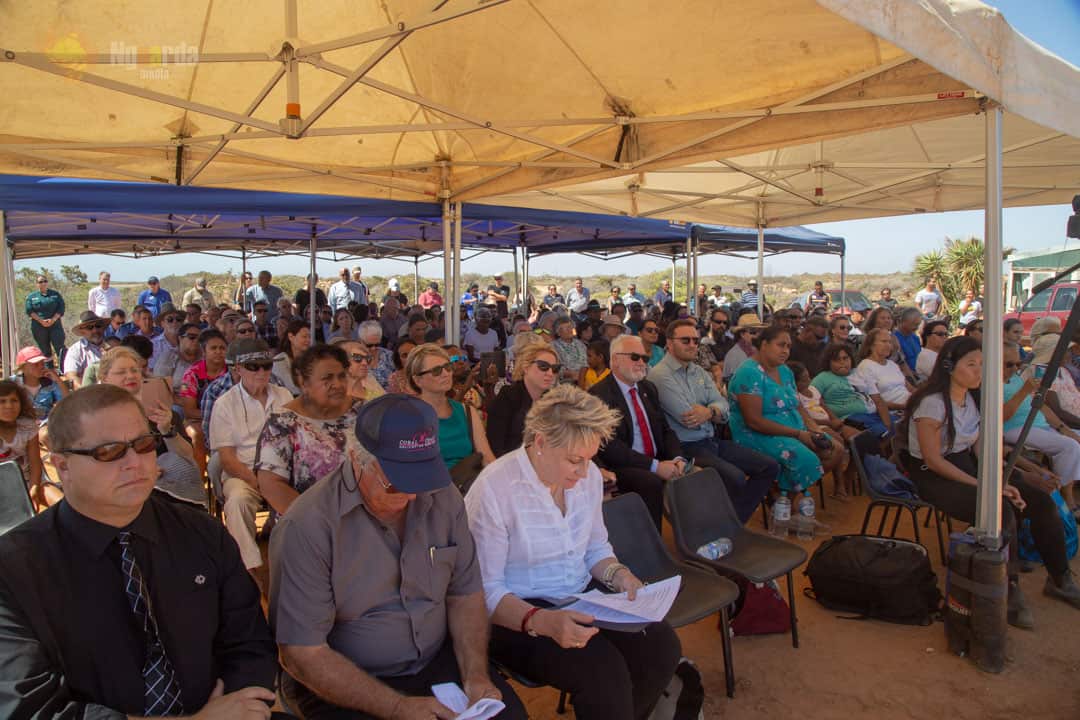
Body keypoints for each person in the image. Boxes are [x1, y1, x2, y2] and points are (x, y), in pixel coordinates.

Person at [0, 383, 281, 718]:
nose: (135, 462)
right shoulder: (14, 569)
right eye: (109, 451)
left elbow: (250, 644)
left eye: (144, 444)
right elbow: (30, 707)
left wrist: (242, 705)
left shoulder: (202, 533)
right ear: (62, 466)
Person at [270, 393, 525, 720]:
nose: (412, 493)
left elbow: (465, 594)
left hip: (435, 661)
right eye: (396, 482)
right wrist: (397, 707)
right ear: (354, 458)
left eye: (422, 477)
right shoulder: (307, 527)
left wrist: (475, 675)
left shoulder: (443, 497)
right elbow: (302, 653)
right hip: (347, 681)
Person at [465, 384, 681, 720]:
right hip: (516, 612)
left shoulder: (589, 476)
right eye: (574, 460)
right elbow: (484, 591)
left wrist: (621, 577)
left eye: (590, 459)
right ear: (539, 442)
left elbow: (595, 548)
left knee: (661, 646)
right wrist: (542, 621)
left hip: (581, 595)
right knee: (602, 672)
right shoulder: (494, 490)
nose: (585, 472)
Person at [903, 336, 1080, 627]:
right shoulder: (931, 404)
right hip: (935, 477)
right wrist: (988, 487)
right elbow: (934, 461)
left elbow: (981, 448)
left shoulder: (973, 398)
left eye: (982, 364)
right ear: (949, 367)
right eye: (970, 364)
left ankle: (1060, 579)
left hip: (967, 467)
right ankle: (1007, 590)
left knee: (1040, 502)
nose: (978, 371)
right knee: (1001, 511)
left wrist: (1016, 476)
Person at [651, 319, 779, 522]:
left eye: (695, 340)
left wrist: (709, 412)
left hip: (710, 440)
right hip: (685, 447)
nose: (693, 345)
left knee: (769, 467)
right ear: (669, 342)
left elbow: (723, 404)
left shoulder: (698, 371)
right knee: (734, 478)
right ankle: (725, 524)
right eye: (685, 340)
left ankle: (732, 522)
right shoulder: (660, 375)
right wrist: (714, 411)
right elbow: (688, 418)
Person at [210, 338, 292, 591]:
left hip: (283, 472)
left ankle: (296, 566)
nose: (262, 372)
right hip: (244, 473)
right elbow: (227, 458)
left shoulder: (284, 395)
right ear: (237, 370)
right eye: (254, 366)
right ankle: (248, 570)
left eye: (266, 366)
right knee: (237, 502)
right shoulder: (224, 404)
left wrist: (278, 481)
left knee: (307, 500)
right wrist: (260, 483)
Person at [591, 334, 687, 529]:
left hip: (655, 458)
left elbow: (665, 429)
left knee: (698, 474)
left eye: (645, 358)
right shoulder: (598, 395)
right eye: (635, 357)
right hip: (620, 465)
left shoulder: (648, 388)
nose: (642, 363)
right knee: (650, 482)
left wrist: (677, 458)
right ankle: (653, 548)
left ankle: (694, 542)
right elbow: (611, 448)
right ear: (615, 360)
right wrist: (655, 466)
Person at [256, 344, 357, 518]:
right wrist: (318, 520)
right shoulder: (282, 424)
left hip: (361, 519)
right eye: (327, 378)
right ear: (304, 383)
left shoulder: (363, 413)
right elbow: (270, 484)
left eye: (342, 376)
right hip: (306, 522)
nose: (338, 384)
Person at [98, 346, 204, 507]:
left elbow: (187, 456)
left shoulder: (161, 411)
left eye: (134, 370)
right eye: (121, 372)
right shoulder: (97, 418)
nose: (130, 376)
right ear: (104, 378)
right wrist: (142, 471)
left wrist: (167, 429)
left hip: (167, 486)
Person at [1002, 341, 1080, 511]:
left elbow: (1040, 405)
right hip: (1015, 428)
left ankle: (1061, 491)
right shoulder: (991, 384)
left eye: (1018, 363)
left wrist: (1063, 429)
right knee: (1070, 446)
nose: (1015, 368)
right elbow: (1001, 416)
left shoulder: (1014, 378)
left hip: (1038, 425)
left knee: (1073, 439)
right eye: (1009, 364)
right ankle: (1066, 497)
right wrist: (1024, 390)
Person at [406, 344, 495, 472]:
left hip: (466, 484)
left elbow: (487, 458)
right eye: (436, 371)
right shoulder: (408, 417)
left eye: (447, 367)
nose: (445, 374)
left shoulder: (467, 411)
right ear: (417, 380)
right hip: (430, 487)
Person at [486, 343, 559, 457]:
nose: (550, 373)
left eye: (555, 369)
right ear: (526, 367)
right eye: (543, 366)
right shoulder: (508, 396)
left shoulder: (553, 401)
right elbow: (495, 445)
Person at [811, 343, 895, 437]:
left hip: (874, 414)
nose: (842, 362)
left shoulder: (861, 373)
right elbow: (810, 400)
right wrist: (832, 419)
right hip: (852, 419)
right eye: (836, 360)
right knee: (882, 433)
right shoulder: (821, 378)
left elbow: (879, 401)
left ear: (851, 359)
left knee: (899, 426)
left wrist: (888, 425)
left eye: (845, 358)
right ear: (828, 362)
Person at [0, 380, 51, 509]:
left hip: (30, 479)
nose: (9, 406)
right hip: (3, 486)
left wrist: (34, 487)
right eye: (2, 401)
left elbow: (35, 461)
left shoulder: (27, 426)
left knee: (60, 502)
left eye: (14, 400)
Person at [857, 328, 913, 411]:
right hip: (896, 410)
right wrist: (904, 406)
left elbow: (911, 388)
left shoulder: (892, 364)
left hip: (911, 403)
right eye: (884, 341)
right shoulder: (865, 366)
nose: (888, 345)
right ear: (871, 345)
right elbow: (875, 401)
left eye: (890, 342)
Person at [14, 346, 68, 425]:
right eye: (36, 364)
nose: (41, 367)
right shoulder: (14, 384)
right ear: (23, 367)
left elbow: (67, 401)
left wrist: (58, 380)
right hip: (19, 425)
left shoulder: (50, 383)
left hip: (45, 425)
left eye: (42, 363)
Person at [25, 274, 66, 361]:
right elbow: (29, 311)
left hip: (55, 325)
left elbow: (61, 308)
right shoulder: (31, 297)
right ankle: (49, 370)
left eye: (45, 281)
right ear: (37, 284)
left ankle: (63, 369)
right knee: (45, 350)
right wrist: (41, 321)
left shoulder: (55, 294)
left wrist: (53, 320)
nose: (43, 283)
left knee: (60, 347)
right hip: (39, 326)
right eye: (40, 282)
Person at [155, 321, 203, 395]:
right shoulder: (169, 357)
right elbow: (159, 387)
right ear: (180, 338)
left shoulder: (205, 358)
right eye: (192, 337)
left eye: (200, 338)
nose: (196, 341)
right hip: (174, 401)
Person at [63, 311, 108, 387]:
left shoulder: (114, 345)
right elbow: (71, 376)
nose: (95, 330)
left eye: (98, 326)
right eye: (89, 327)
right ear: (82, 331)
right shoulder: (75, 350)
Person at [272, 319, 312, 396]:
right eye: (304, 337)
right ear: (291, 337)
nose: (308, 340)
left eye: (309, 337)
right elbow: (291, 386)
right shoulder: (279, 360)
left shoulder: (311, 358)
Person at [722, 313, 765, 380]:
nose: (758, 335)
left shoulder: (755, 350)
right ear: (742, 334)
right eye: (753, 332)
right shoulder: (735, 355)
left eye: (760, 331)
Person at [552, 315, 588, 384]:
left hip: (585, 377)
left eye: (570, 327)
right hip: (567, 381)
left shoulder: (580, 344)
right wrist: (571, 374)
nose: (570, 330)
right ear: (558, 332)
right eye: (566, 328)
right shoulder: (553, 346)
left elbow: (588, 361)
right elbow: (555, 368)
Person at [893, 308, 923, 382]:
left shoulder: (915, 337)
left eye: (918, 324)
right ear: (902, 322)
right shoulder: (894, 339)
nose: (916, 327)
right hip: (907, 378)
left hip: (921, 374)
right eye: (914, 324)